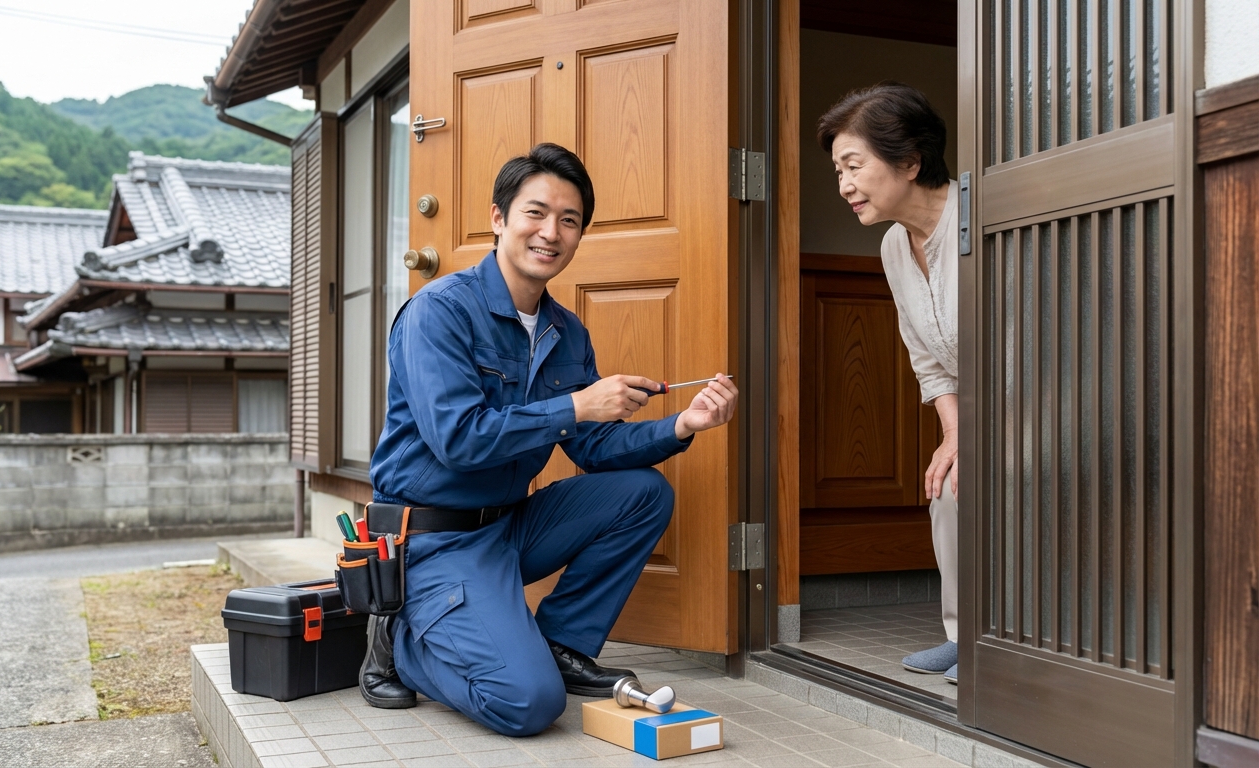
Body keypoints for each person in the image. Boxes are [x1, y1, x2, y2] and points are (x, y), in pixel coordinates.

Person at [361, 142, 739, 735]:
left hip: (508, 527)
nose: (551, 233)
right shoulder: (438, 311)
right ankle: (402, 641)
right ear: (498, 218)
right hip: (431, 541)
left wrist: (682, 425)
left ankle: (559, 644)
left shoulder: (566, 331)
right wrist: (577, 404)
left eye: (569, 220)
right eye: (535, 213)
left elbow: (592, 447)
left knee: (642, 493)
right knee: (528, 704)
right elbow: (458, 440)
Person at [818, 83, 960, 684]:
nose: (844, 185)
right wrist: (954, 431)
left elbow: (1027, 345)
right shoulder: (893, 246)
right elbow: (926, 356)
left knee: (983, 477)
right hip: (975, 406)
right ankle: (966, 635)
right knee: (947, 481)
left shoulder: (984, 216)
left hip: (1044, 396)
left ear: (910, 161)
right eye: (839, 171)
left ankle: (1012, 638)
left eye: (854, 166)